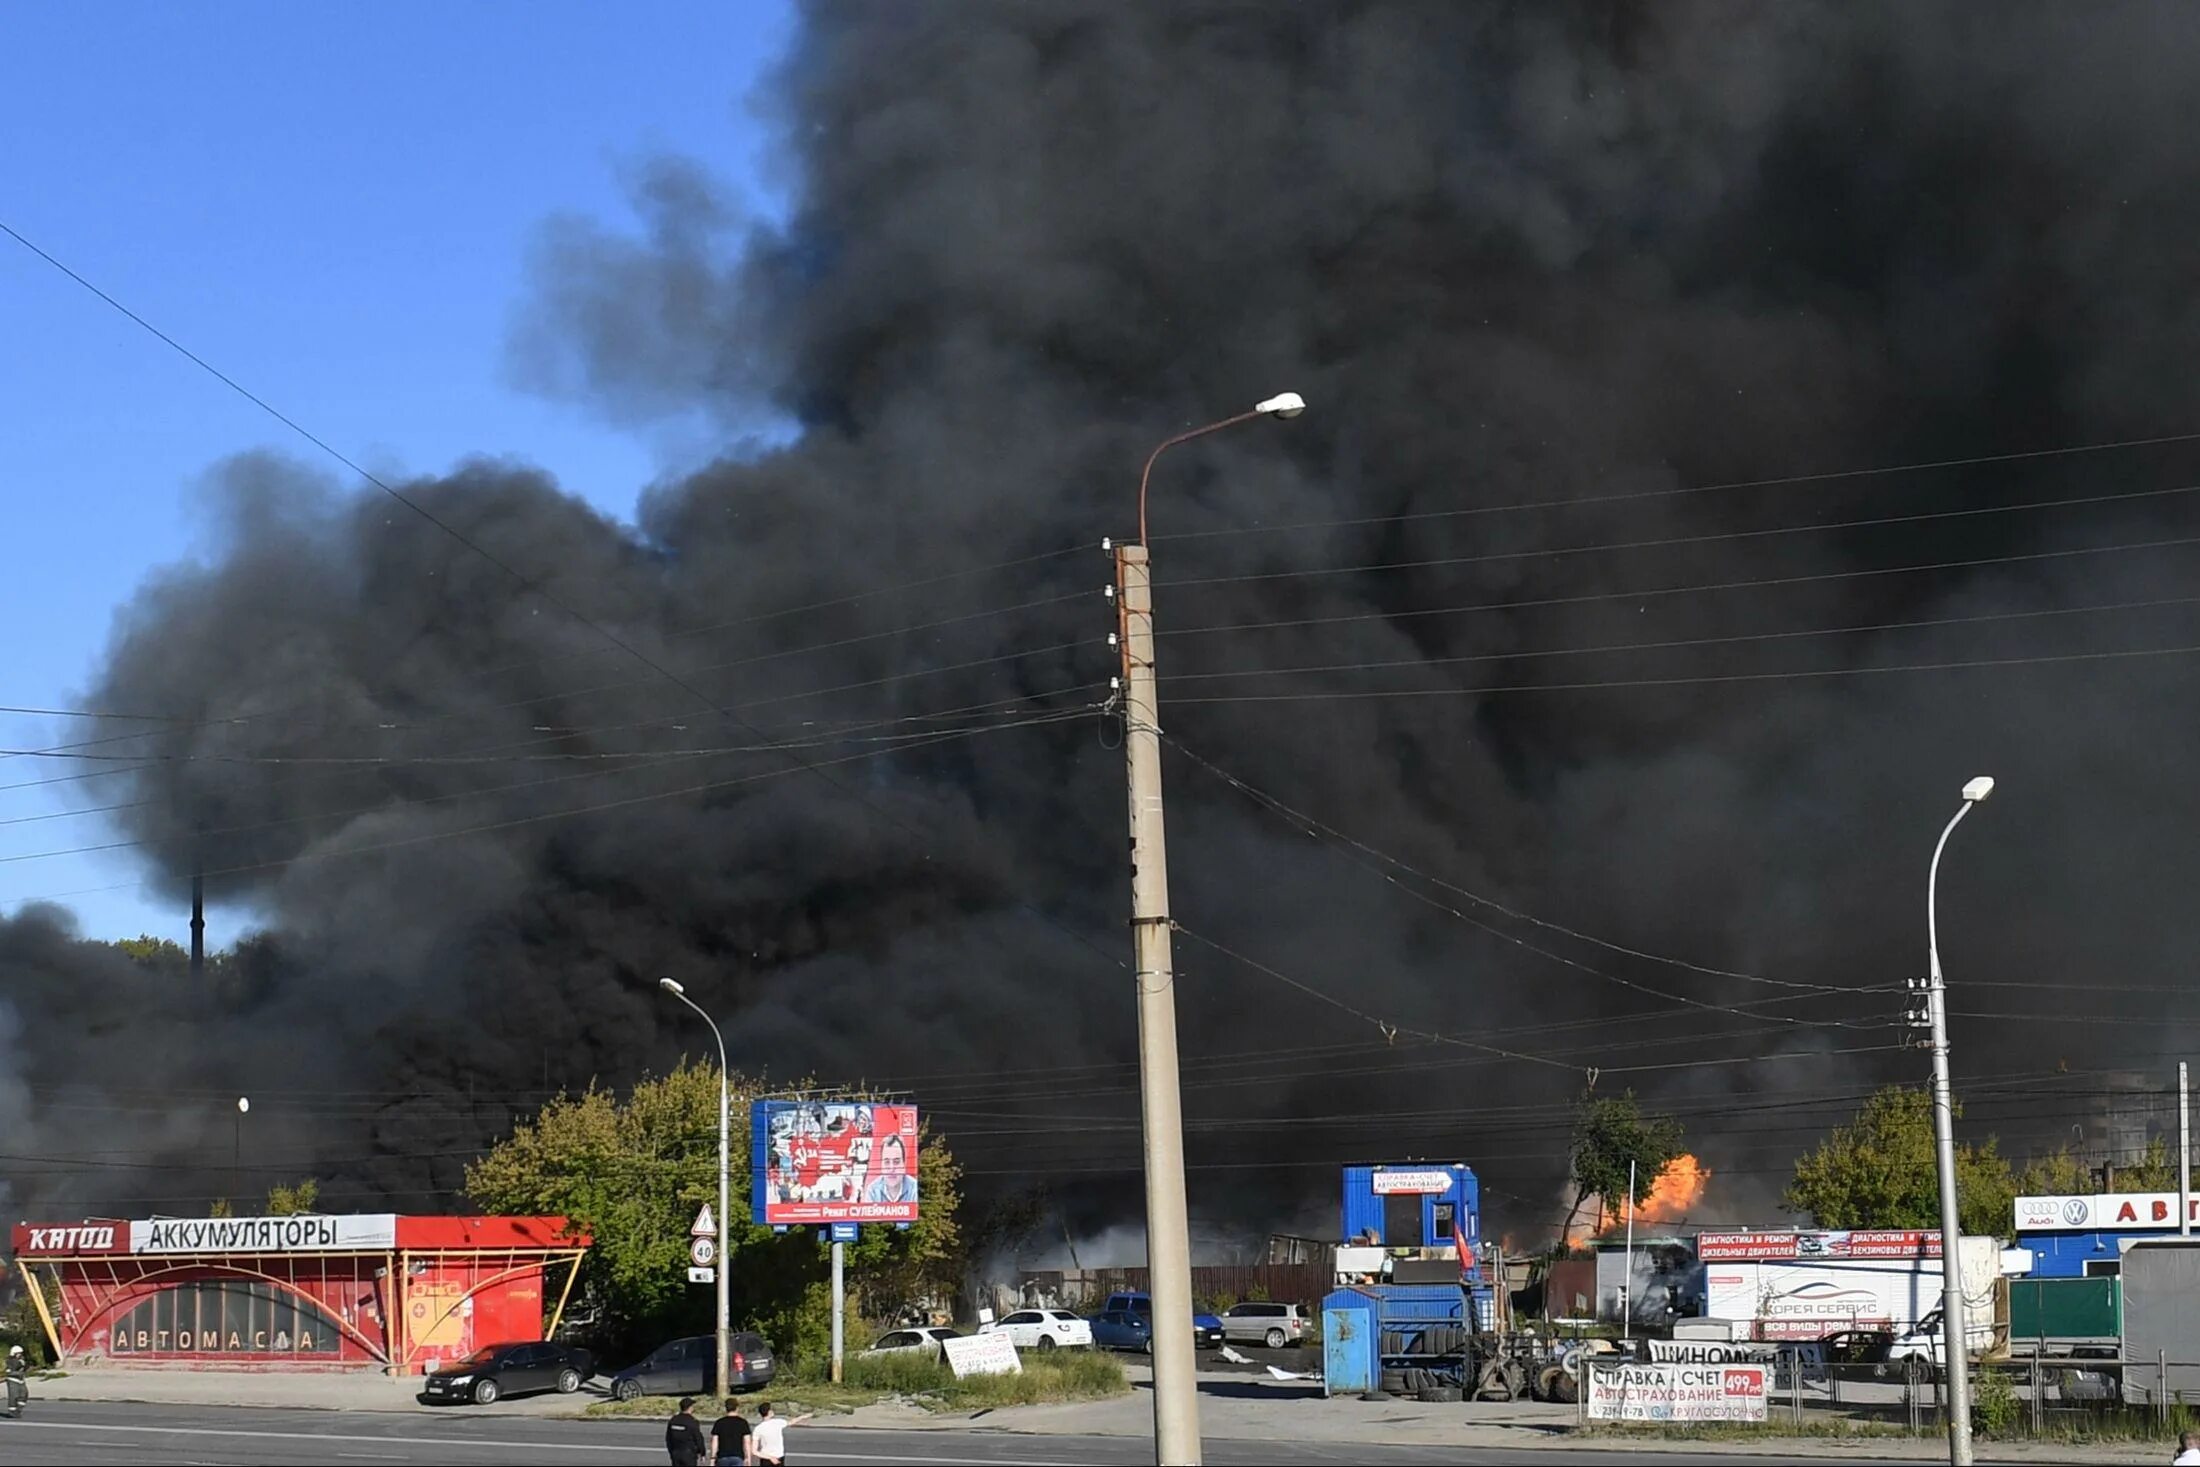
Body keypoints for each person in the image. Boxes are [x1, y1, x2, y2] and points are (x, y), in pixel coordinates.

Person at [749, 1401, 810, 1466]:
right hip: (779, 1457)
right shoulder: (778, 1422)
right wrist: (802, 1417)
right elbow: (791, 1422)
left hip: (765, 1459)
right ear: (769, 1412)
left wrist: (770, 1458)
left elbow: (754, 1451)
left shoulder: (758, 1428)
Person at [863, 1134, 918, 1205]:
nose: (891, 1168)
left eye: (896, 1162)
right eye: (887, 1162)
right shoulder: (872, 1190)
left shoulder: (914, 1188)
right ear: (881, 1165)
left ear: (904, 1164)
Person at [664, 1396, 707, 1467]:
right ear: (690, 1408)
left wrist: (671, 1452)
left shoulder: (673, 1420)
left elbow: (668, 1438)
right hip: (689, 1454)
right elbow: (698, 1438)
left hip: (676, 1452)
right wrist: (702, 1453)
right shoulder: (692, 1421)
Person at [707, 1398, 750, 1466]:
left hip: (722, 1457)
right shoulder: (743, 1422)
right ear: (737, 1408)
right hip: (737, 1456)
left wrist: (712, 1458)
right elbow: (747, 1442)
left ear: (726, 1408)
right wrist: (748, 1458)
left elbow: (714, 1442)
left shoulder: (719, 1422)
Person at [4, 1345, 27, 1417]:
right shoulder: (10, 1361)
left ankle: (19, 1409)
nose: (20, 1355)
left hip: (21, 1380)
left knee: (24, 1394)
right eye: (18, 1353)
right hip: (12, 1380)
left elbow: (24, 1368)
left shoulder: (21, 1360)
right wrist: (20, 1369)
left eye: (20, 1353)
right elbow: (10, 1371)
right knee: (14, 1396)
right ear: (14, 1353)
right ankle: (12, 1411)